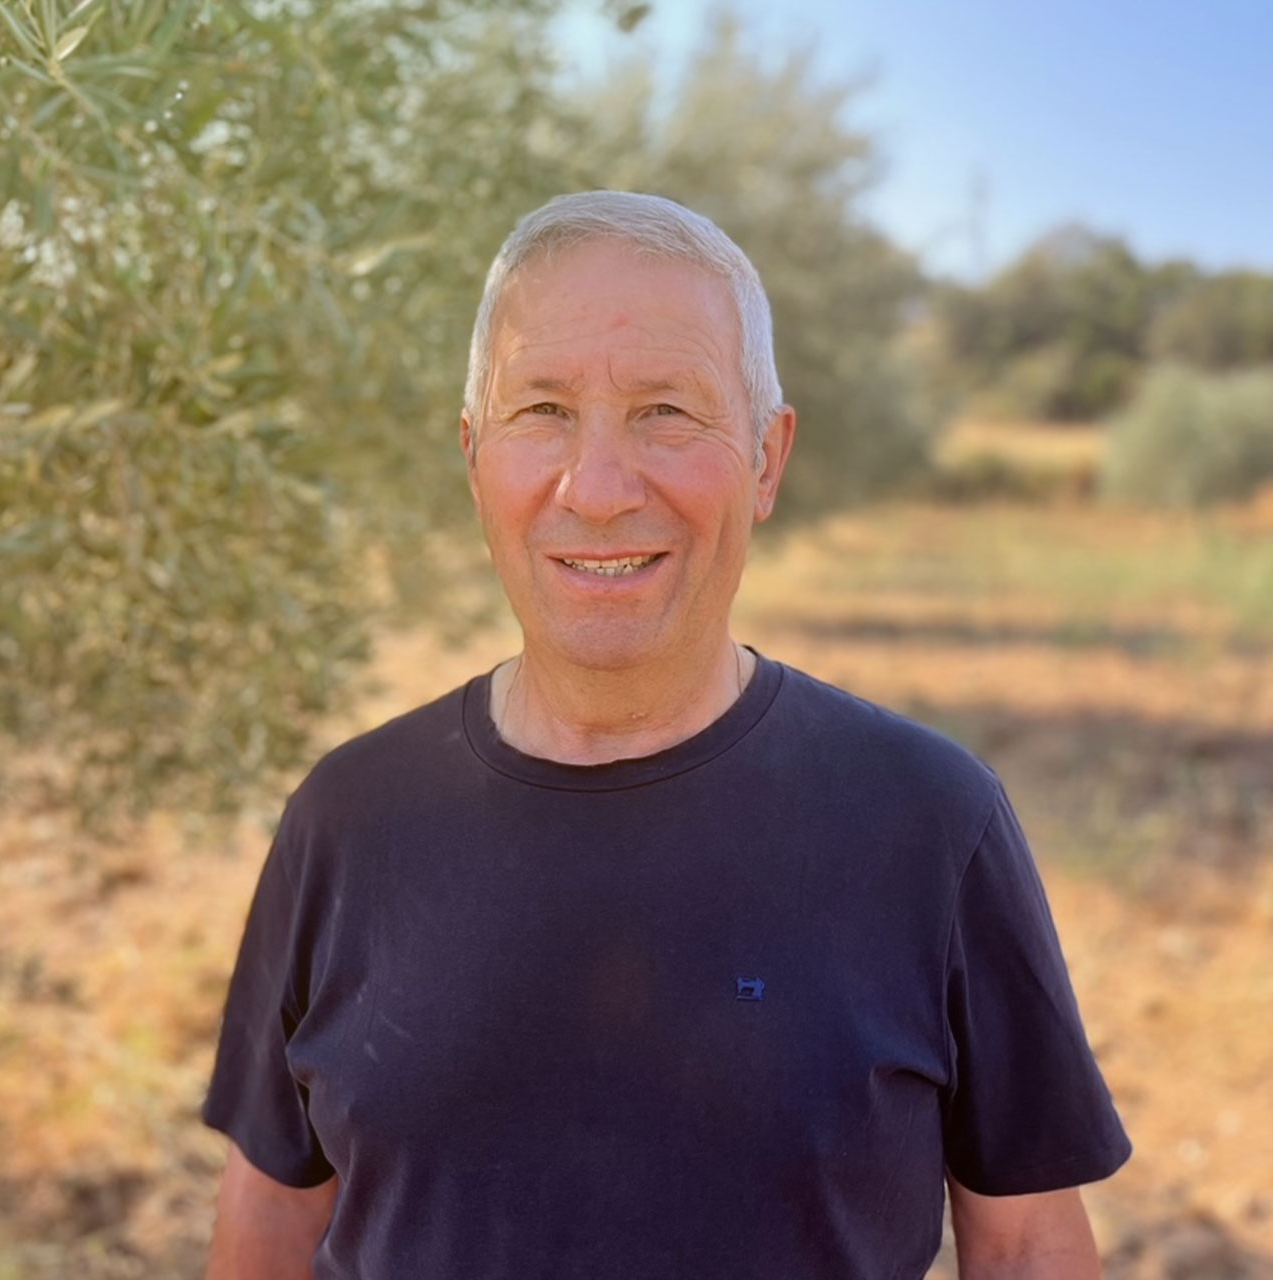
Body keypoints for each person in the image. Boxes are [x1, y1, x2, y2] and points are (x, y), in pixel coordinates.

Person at [203, 191, 1130, 1279]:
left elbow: (1023, 1243)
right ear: (473, 459)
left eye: (667, 412)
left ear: (766, 459)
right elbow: (269, 1217)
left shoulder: (929, 821)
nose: (595, 489)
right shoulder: (347, 818)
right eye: (540, 410)